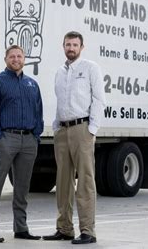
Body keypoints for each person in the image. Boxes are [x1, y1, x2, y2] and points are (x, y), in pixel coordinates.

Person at [43, 31, 105, 245]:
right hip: (62, 130)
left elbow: (98, 100)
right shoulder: (60, 72)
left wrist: (92, 129)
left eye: (75, 44)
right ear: (63, 46)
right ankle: (64, 228)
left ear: (81, 47)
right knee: (63, 183)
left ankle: (88, 230)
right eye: (68, 44)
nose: (71, 47)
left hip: (82, 129)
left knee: (85, 181)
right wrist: (56, 126)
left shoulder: (90, 68)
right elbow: (60, 100)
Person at [0, 45, 44, 243]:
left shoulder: (32, 84)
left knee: (23, 187)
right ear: (6, 59)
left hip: (29, 140)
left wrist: (36, 135)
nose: (16, 59)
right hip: (6, 139)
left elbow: (39, 112)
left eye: (19, 56)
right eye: (12, 56)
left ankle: (21, 228)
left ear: (24, 59)